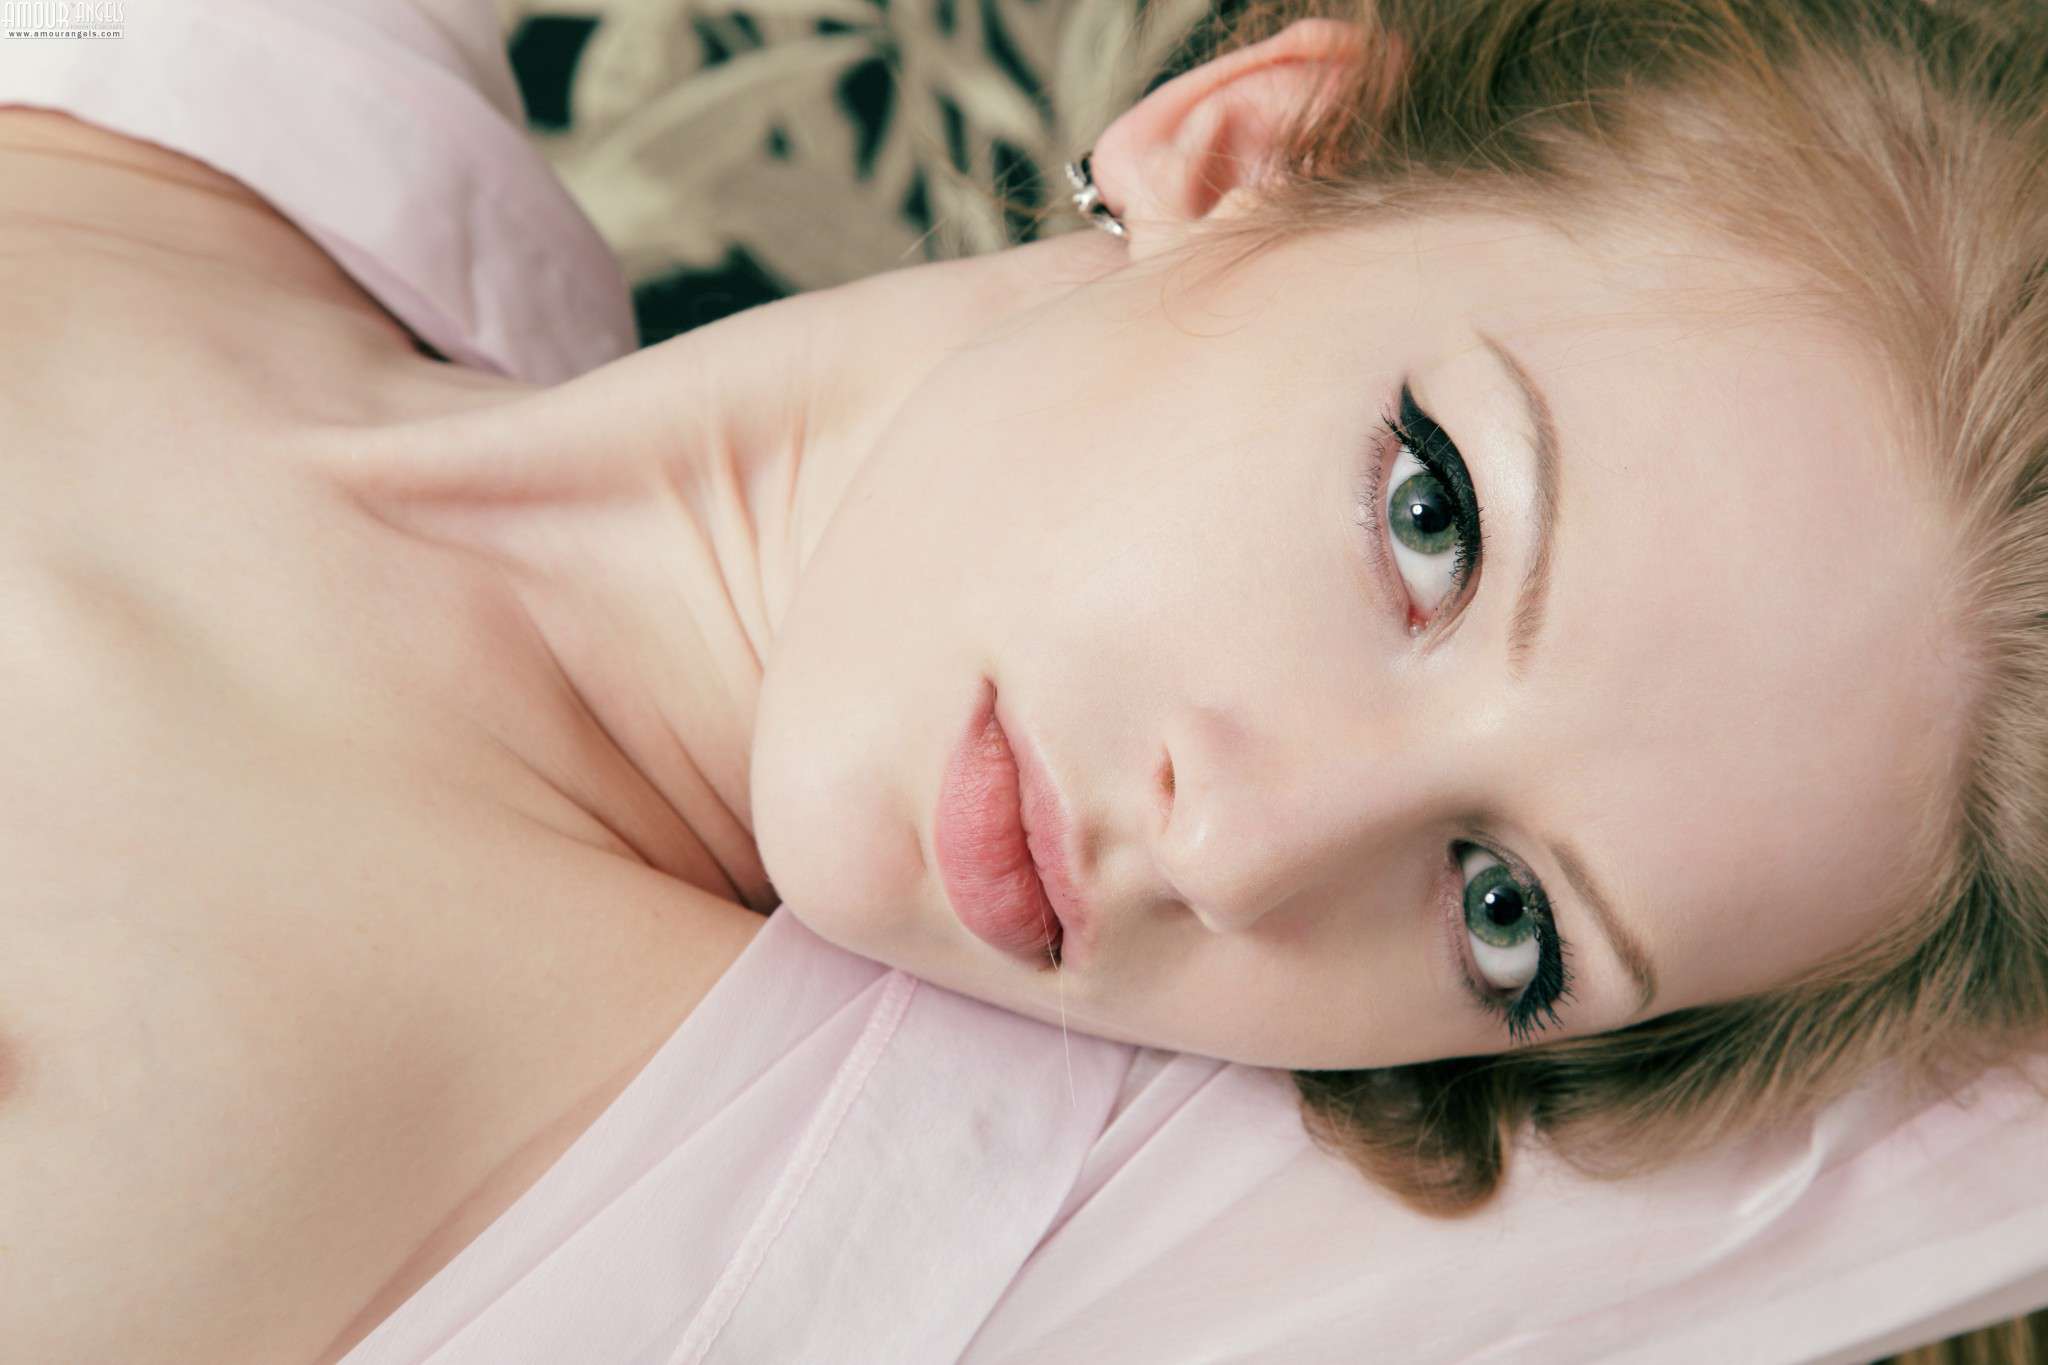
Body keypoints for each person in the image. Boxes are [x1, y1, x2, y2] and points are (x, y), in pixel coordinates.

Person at [1, 0, 2043, 1359]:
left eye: (1504, 910)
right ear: (1253, 144)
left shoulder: (843, 1232)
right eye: (1432, 519)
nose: (1245, 851)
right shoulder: (201, 82)